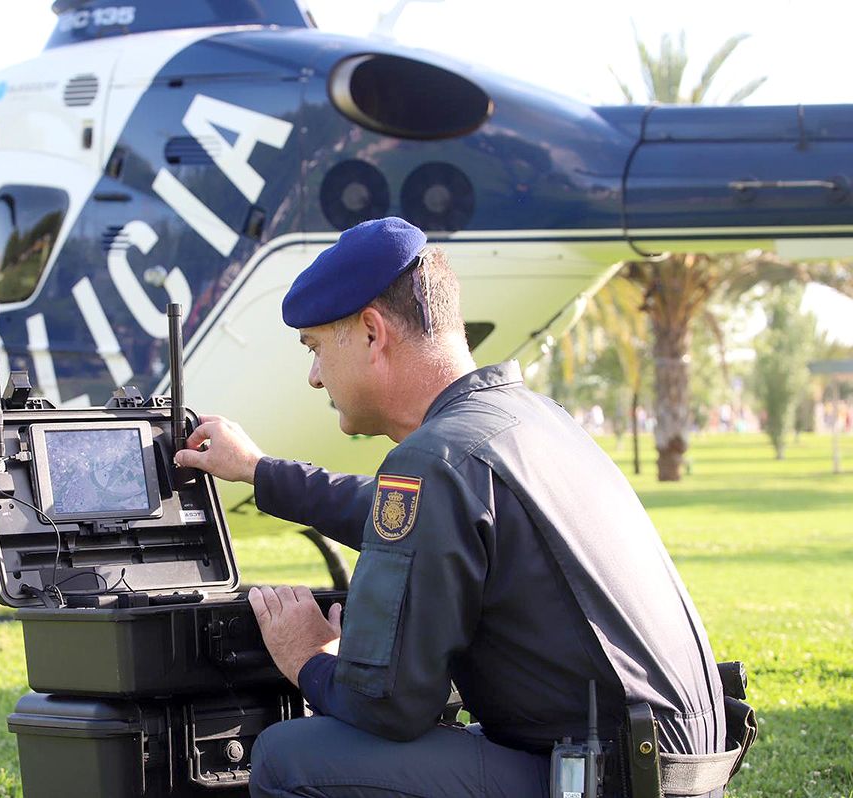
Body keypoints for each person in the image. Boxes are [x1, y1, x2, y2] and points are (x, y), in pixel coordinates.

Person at [174, 218, 733, 798]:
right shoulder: (528, 421)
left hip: (606, 781)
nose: (315, 378)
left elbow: (389, 706)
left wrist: (310, 659)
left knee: (290, 758)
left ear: (372, 332)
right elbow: (409, 521)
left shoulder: (435, 460)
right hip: (665, 772)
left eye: (315, 347)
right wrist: (259, 470)